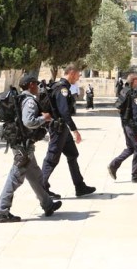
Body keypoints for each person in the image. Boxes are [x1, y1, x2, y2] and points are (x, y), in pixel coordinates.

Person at [0, 74, 62, 222]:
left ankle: (48, 204)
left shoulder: (22, 98)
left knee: (35, 175)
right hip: (22, 145)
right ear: (31, 84)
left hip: (22, 143)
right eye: (36, 84)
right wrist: (44, 118)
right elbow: (28, 122)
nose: (38, 87)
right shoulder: (29, 101)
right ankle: (2, 211)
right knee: (15, 177)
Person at [41, 64, 96, 198]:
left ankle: (80, 186)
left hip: (62, 128)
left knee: (72, 154)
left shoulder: (59, 86)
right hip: (58, 128)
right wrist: (75, 130)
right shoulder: (62, 88)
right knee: (51, 158)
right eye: (78, 74)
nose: (79, 77)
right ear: (71, 73)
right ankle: (41, 189)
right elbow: (64, 112)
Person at [108, 72, 137, 183]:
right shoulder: (134, 95)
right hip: (132, 126)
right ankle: (136, 176)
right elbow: (136, 115)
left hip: (125, 124)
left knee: (131, 148)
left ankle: (114, 164)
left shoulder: (124, 91)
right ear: (135, 81)